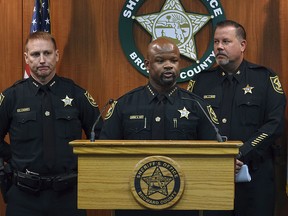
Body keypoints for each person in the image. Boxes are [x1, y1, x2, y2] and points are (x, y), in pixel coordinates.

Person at [100, 37, 221, 216]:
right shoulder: (124, 105)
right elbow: (105, 152)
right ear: (147, 64)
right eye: (160, 60)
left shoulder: (197, 106)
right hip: (134, 204)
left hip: (183, 204)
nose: (168, 66)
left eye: (173, 60)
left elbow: (216, 153)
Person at [187, 20, 286, 216]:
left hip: (255, 176)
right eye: (216, 42)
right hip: (213, 177)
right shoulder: (200, 81)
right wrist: (218, 159)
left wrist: (240, 153)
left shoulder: (264, 78)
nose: (219, 47)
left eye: (226, 41)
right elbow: (191, 126)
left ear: (242, 45)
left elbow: (275, 124)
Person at [0, 31, 103, 216]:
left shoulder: (77, 95)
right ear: (26, 58)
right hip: (23, 197)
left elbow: (100, 137)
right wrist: (13, 157)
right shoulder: (11, 97)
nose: (41, 60)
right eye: (35, 54)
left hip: (68, 195)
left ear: (56, 55)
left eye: (47, 53)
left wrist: (79, 164)